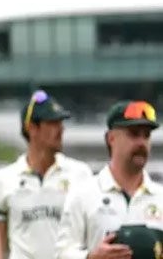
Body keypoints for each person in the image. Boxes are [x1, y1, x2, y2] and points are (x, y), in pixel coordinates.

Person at [0, 90, 93, 259]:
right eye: (52, 123)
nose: (61, 129)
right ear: (32, 128)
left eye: (60, 123)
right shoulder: (4, 179)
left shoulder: (80, 174)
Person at [55, 100, 163, 259]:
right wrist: (91, 257)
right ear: (111, 138)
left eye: (146, 136)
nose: (142, 143)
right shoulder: (84, 194)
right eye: (134, 134)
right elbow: (61, 253)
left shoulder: (160, 197)